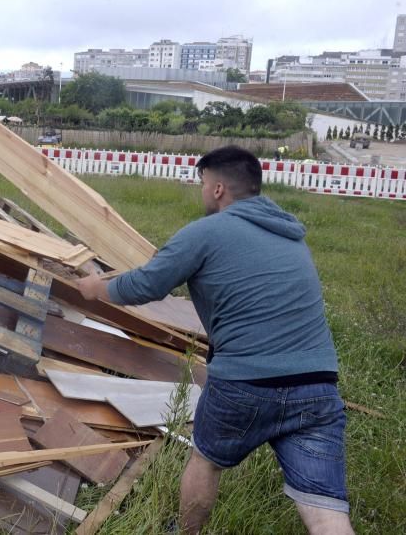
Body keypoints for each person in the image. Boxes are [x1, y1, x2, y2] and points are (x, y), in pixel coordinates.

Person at [77, 146, 352, 535]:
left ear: (218, 188)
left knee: (205, 461)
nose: (202, 191)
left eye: (203, 184)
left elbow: (147, 285)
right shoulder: (291, 236)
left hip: (245, 382)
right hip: (318, 385)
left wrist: (95, 289)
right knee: (325, 512)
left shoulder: (206, 232)